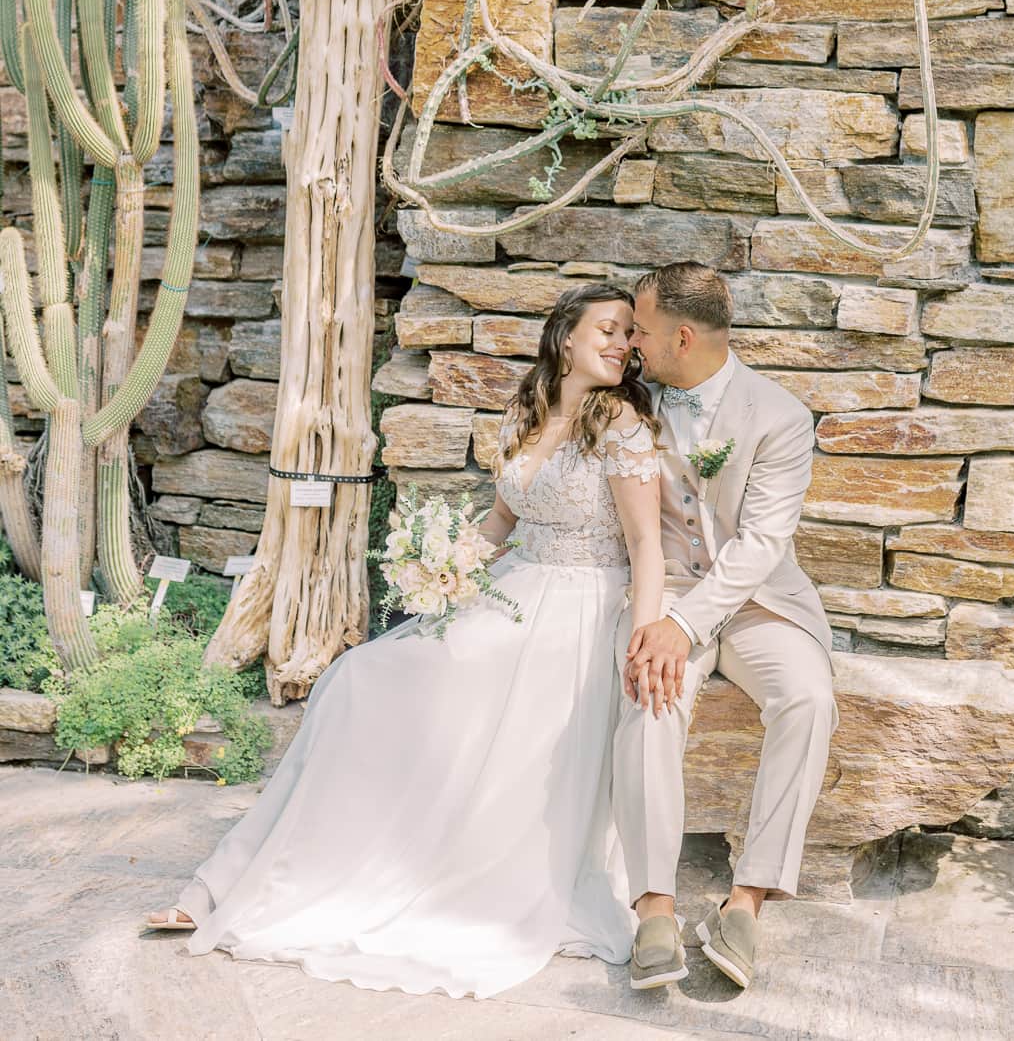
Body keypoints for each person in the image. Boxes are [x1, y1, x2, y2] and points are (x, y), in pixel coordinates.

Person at [144, 283, 666, 999]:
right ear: (565, 337)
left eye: (629, 333)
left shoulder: (623, 427)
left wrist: (643, 637)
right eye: (607, 328)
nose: (621, 343)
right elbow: (499, 526)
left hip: (579, 609)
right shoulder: (529, 409)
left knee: (427, 683)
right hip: (515, 587)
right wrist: (444, 570)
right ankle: (229, 880)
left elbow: (646, 544)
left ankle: (395, 864)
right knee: (358, 678)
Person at [616, 261, 836, 994]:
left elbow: (762, 545)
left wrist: (685, 623)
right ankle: (653, 907)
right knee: (651, 702)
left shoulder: (780, 415)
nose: (631, 340)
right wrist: (661, 622)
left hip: (757, 600)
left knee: (809, 698)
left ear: (682, 335)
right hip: (665, 590)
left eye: (641, 329)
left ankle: (746, 902)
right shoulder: (629, 396)